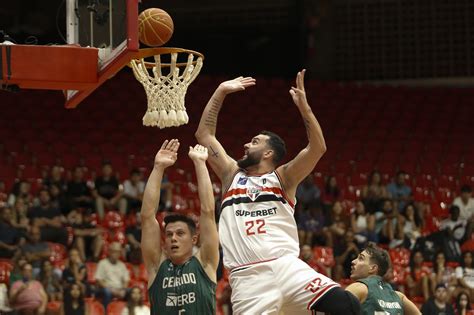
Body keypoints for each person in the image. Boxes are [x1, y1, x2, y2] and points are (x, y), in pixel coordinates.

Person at [195, 70, 360, 314]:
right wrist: (220, 91)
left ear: (268, 153)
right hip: (248, 278)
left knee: (346, 304)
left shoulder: (283, 178)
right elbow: (204, 135)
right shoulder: (231, 176)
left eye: (254, 141)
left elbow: (317, 148)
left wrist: (305, 108)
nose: (246, 144)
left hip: (287, 268)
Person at [141, 140, 218, 314]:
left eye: (180, 233)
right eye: (168, 235)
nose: (173, 238)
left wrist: (200, 163)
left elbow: (208, 212)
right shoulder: (156, 266)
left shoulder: (205, 263)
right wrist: (158, 168)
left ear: (194, 239)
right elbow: (147, 218)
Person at [345, 243, 421, 314]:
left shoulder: (358, 288)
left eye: (361, 258)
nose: (353, 261)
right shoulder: (399, 297)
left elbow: (334, 310)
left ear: (373, 268)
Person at [94, 242, 130, 308]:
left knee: (131, 291)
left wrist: (123, 290)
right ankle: (106, 312)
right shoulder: (102, 263)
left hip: (119, 289)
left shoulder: (122, 265)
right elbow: (99, 280)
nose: (116, 254)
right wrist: (112, 290)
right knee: (107, 292)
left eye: (118, 252)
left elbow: (126, 281)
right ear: (109, 252)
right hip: (106, 289)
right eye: (114, 251)